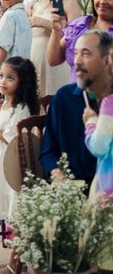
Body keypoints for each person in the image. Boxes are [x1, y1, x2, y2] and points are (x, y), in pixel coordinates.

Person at [0, 57, 40, 274]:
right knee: (13, 216)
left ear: (21, 83)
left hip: (14, 166)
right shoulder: (6, 104)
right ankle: (18, 263)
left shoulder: (21, 110)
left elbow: (17, 144)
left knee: (17, 216)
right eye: (1, 76)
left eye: (10, 78)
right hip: (3, 163)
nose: (3, 81)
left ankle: (15, 266)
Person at [40, 29, 113, 187]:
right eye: (75, 53)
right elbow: (48, 151)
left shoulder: (110, 104)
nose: (77, 61)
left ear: (107, 61)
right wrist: (57, 174)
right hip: (70, 191)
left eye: (86, 54)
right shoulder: (64, 98)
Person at [82, 32, 113, 274]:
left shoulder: (109, 104)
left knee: (107, 259)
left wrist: (89, 123)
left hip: (109, 191)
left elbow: (101, 146)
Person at [26, 0, 82, 96]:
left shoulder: (68, 2)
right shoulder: (33, 6)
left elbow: (76, 37)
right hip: (35, 63)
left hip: (58, 64)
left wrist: (45, 23)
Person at [48, 0, 113, 80]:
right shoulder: (80, 26)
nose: (103, 2)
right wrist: (56, 30)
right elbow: (53, 60)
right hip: (76, 93)